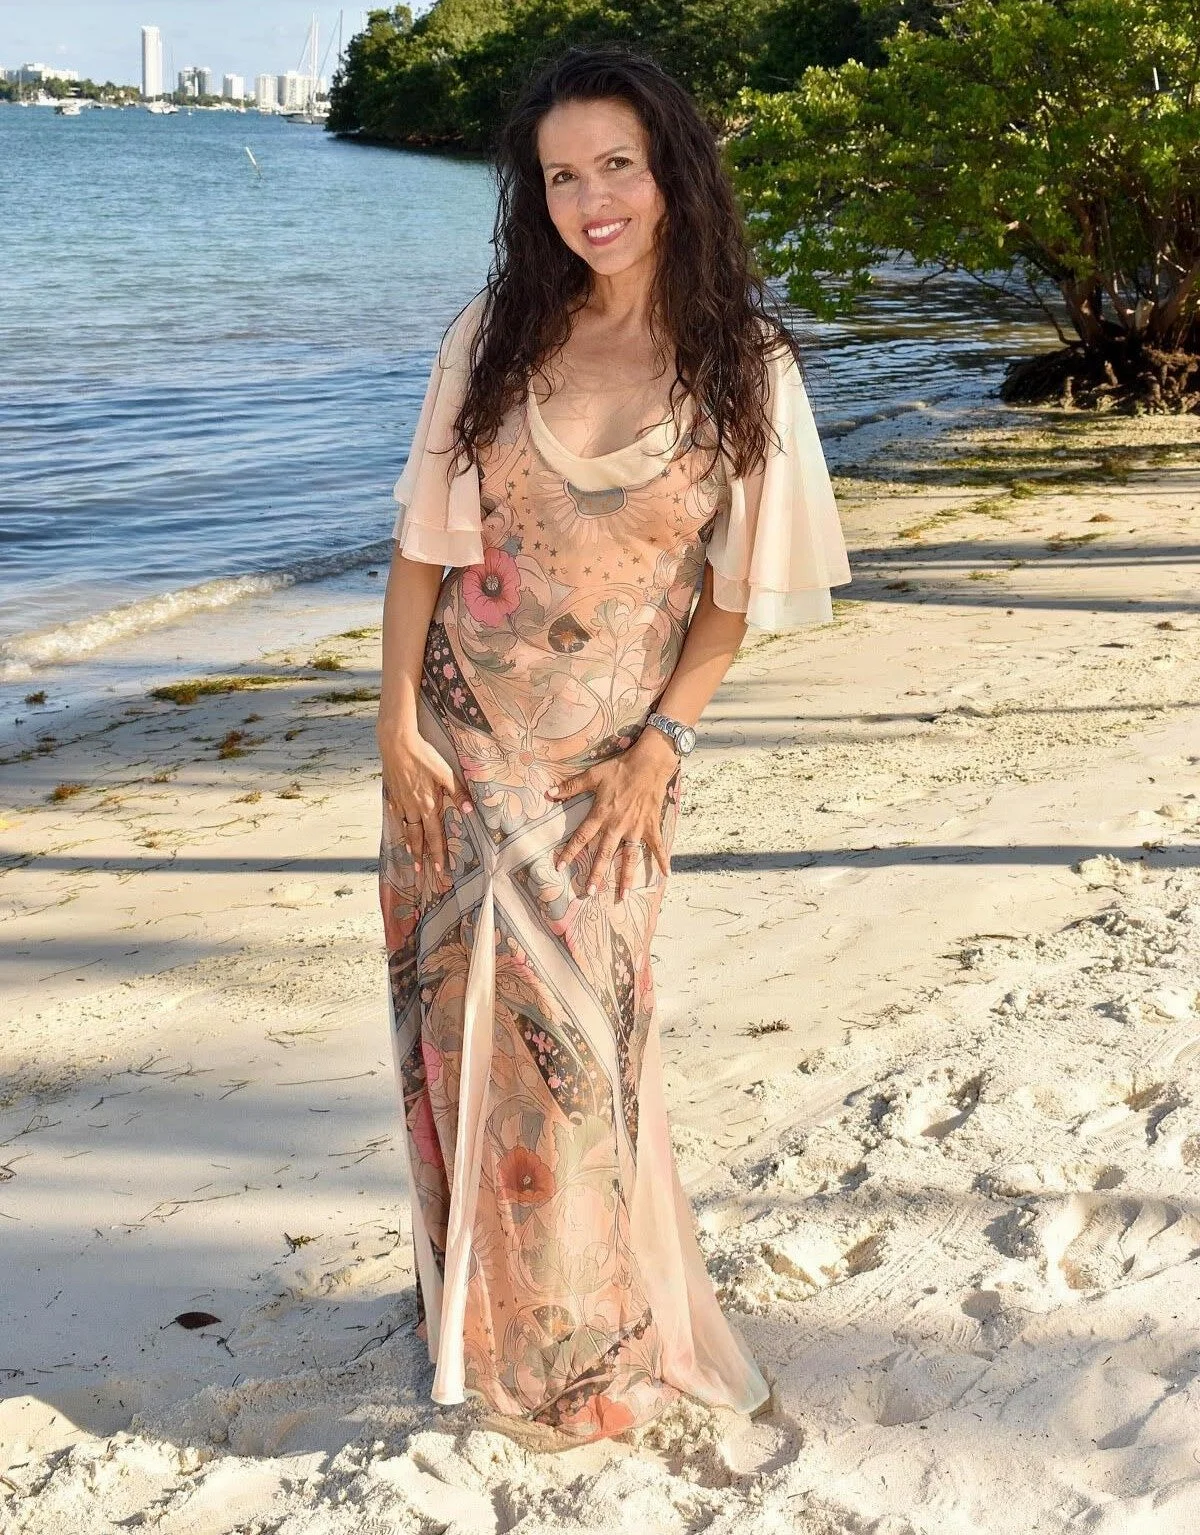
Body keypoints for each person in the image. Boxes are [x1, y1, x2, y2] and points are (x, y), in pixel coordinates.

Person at [376, 43, 851, 1447]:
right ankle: (472, 1327)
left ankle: (587, 1348)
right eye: (563, 173)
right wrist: (393, 719)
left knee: (585, 1062)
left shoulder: (744, 366)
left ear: (672, 174)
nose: (592, 198)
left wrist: (666, 744)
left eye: (617, 167)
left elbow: (730, 590)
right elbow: (420, 549)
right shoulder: (495, 334)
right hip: (454, 751)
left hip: (603, 781)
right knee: (454, 1053)